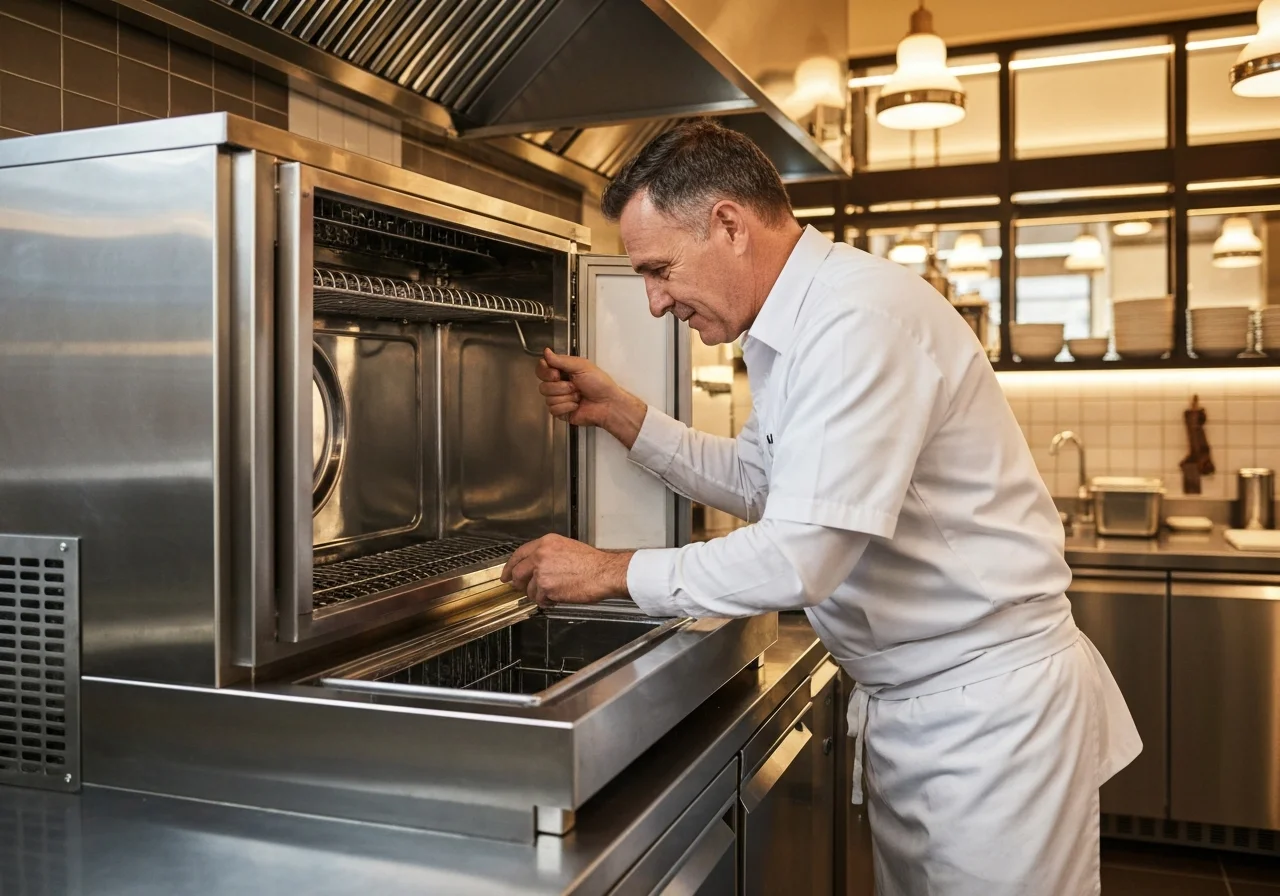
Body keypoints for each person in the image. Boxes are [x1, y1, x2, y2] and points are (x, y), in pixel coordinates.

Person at [500, 119, 1139, 895]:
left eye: (660, 270)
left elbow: (801, 556)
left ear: (729, 224)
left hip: (989, 724)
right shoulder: (794, 327)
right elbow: (762, 480)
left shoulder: (855, 322)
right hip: (924, 708)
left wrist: (610, 571)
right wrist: (622, 414)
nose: (656, 302)